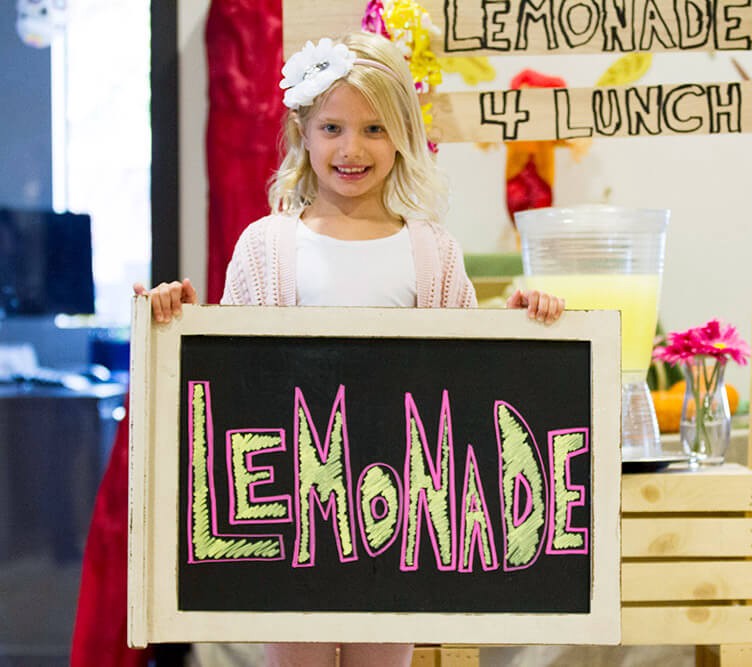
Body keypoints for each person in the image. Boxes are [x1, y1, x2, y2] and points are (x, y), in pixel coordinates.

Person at [134, 30, 564, 667]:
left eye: (374, 129)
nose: (352, 148)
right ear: (303, 132)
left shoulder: (431, 249)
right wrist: (178, 319)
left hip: (397, 509)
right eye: (333, 127)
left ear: (401, 138)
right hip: (292, 508)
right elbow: (234, 380)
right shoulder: (265, 246)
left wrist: (526, 323)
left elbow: (471, 368)